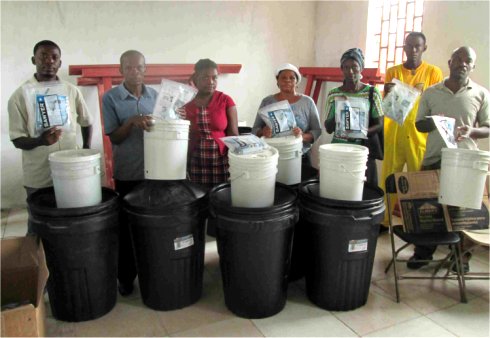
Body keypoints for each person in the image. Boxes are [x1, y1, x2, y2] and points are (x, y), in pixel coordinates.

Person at [412, 46, 489, 272]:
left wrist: (471, 132)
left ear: (473, 66)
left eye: (468, 61)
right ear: (450, 62)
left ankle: (460, 258)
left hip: (465, 161)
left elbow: (488, 127)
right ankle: (423, 254)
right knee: (428, 211)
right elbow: (419, 124)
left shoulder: (481, 94)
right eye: (458, 59)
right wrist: (434, 121)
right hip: (434, 159)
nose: (462, 64)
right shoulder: (431, 92)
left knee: (461, 213)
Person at [8, 40, 93, 233]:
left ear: (60, 63)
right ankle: (36, 262)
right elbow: (16, 139)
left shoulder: (71, 91)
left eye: (54, 57)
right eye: (43, 57)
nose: (49, 61)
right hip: (39, 175)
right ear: (33, 60)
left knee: (72, 221)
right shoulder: (20, 96)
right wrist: (40, 141)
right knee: (39, 224)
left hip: (71, 169)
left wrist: (85, 149)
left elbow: (87, 121)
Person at [102, 50, 158, 296]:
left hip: (155, 171)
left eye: (140, 67)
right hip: (128, 173)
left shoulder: (155, 96)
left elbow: (165, 127)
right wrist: (131, 122)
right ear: (121, 70)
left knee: (152, 226)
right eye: (129, 67)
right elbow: (114, 137)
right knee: (126, 228)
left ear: (146, 69)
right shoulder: (111, 98)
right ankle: (125, 277)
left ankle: (153, 272)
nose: (135, 72)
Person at [381, 32, 443, 227]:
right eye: (410, 46)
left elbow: (434, 104)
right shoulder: (393, 71)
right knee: (388, 178)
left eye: (418, 46)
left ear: (424, 48)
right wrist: (388, 93)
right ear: (404, 48)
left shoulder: (434, 72)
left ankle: (419, 225)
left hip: (419, 137)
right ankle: (383, 222)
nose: (413, 50)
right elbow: (388, 105)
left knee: (419, 182)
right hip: (395, 133)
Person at [324, 48, 384, 186]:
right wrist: (340, 108)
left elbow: (380, 124)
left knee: (364, 191)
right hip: (339, 150)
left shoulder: (372, 93)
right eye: (345, 67)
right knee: (339, 188)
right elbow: (328, 128)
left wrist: (361, 133)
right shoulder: (334, 94)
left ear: (361, 68)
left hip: (363, 152)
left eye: (354, 67)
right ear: (342, 69)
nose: (350, 72)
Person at [252, 63, 322, 179]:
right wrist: (262, 132)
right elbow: (255, 130)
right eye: (283, 78)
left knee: (299, 191)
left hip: (300, 156)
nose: (287, 81)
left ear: (297, 82)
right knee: (276, 192)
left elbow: (317, 131)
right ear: (277, 81)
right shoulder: (267, 102)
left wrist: (301, 136)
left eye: (292, 78)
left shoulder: (307, 102)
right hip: (272, 157)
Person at [182, 59, 239, 190]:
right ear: (196, 78)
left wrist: (235, 163)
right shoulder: (185, 102)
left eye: (214, 77)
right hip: (195, 160)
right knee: (198, 196)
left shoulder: (225, 100)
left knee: (220, 196)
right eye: (205, 77)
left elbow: (233, 134)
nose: (211, 82)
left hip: (221, 160)